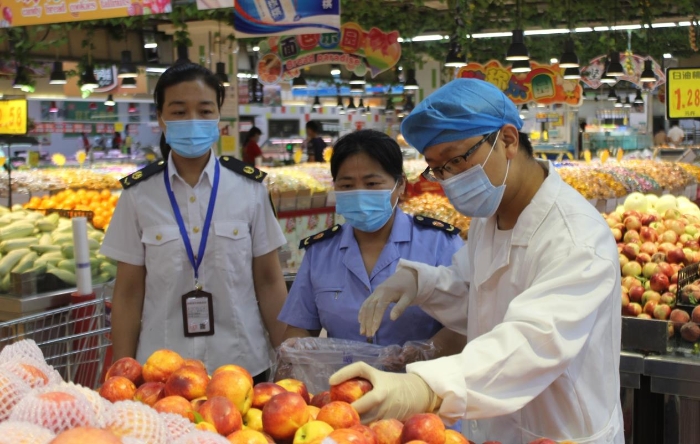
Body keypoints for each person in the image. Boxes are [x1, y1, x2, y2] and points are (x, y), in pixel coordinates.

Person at [330, 79, 622, 443]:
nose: (450, 179)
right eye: (438, 169)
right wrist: (421, 283)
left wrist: (427, 387)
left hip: (559, 430)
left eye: (457, 159)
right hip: (495, 427)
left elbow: (534, 342)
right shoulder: (490, 217)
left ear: (508, 140)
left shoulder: (576, 239)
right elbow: (476, 296)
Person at [100, 62, 288, 382]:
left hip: (242, 365)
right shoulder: (138, 195)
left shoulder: (250, 189)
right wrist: (123, 371)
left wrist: (288, 360)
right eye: (178, 111)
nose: (192, 120)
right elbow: (129, 292)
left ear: (218, 117)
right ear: (160, 118)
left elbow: (269, 281)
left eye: (204, 110)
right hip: (161, 372)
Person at [278, 129, 466, 355]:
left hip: (423, 383)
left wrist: (424, 352)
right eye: (347, 186)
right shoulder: (320, 252)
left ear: (400, 185)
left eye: (372, 183)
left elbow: (467, 320)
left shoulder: (440, 243)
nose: (359, 194)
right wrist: (295, 351)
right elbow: (300, 328)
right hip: (342, 383)